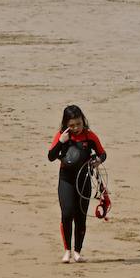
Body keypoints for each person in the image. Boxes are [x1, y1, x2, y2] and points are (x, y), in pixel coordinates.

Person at [47, 104, 107, 263]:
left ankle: (77, 252)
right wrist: (60, 142)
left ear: (83, 120)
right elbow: (51, 156)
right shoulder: (62, 135)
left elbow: (102, 153)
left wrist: (98, 161)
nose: (76, 128)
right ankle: (67, 251)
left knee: (80, 217)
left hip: (84, 181)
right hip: (66, 179)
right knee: (67, 214)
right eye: (71, 125)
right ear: (66, 124)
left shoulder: (89, 136)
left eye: (79, 124)